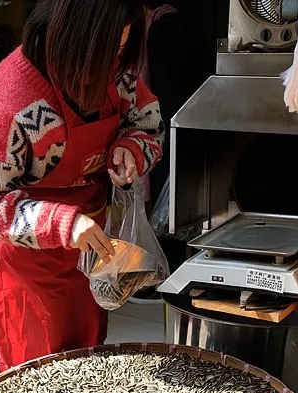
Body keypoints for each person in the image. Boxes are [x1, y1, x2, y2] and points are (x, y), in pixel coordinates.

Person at [0, 0, 165, 372]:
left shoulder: (117, 74)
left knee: (88, 351)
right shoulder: (11, 96)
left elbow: (148, 125)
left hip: (94, 245)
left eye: (119, 51)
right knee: (38, 368)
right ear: (72, 38)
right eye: (104, 52)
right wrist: (63, 224)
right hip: (30, 260)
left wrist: (131, 149)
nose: (113, 64)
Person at [130, 0, 210, 303]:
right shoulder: (180, 22)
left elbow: (165, 93)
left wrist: (153, 136)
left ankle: (164, 281)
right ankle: (177, 279)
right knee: (184, 212)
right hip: (192, 128)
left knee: (168, 216)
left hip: (169, 130)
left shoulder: (161, 30)